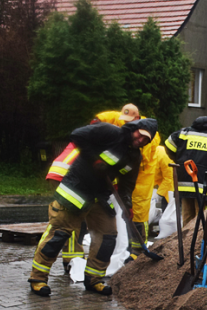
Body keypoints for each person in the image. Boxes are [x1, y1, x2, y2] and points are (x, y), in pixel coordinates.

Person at [29, 118, 158, 297]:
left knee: (108, 236)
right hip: (77, 189)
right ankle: (38, 279)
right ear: (134, 129)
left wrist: (127, 206)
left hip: (101, 195)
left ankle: (93, 280)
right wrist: (94, 159)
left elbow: (127, 185)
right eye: (140, 135)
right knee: (59, 234)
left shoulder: (134, 157)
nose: (141, 140)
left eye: (146, 139)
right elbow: (77, 135)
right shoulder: (110, 132)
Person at [44, 104, 141, 271]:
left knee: (76, 220)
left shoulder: (132, 133)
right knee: (70, 219)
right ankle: (71, 259)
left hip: (67, 168)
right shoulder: (111, 128)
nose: (125, 124)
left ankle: (71, 259)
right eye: (124, 121)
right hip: (73, 173)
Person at [164, 116, 207, 224]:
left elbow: (169, 144)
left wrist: (179, 160)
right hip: (205, 184)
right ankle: (199, 240)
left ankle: (186, 240)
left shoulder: (185, 132)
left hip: (184, 181)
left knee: (187, 216)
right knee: (203, 218)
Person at [129, 144, 173, 257]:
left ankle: (167, 236)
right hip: (148, 186)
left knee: (167, 213)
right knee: (143, 214)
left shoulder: (162, 153)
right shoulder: (139, 154)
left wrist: (159, 194)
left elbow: (169, 177)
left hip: (169, 186)